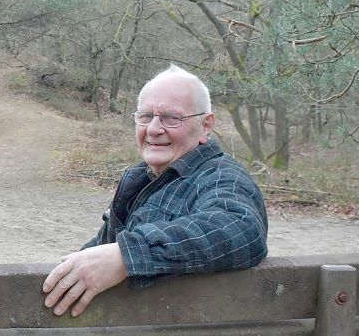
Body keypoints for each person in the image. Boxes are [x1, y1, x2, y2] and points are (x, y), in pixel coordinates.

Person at [42, 64, 267, 317]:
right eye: (146, 116)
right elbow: (99, 250)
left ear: (206, 125)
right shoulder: (138, 180)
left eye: (172, 118)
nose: (153, 129)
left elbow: (240, 227)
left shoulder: (222, 177)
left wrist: (126, 256)